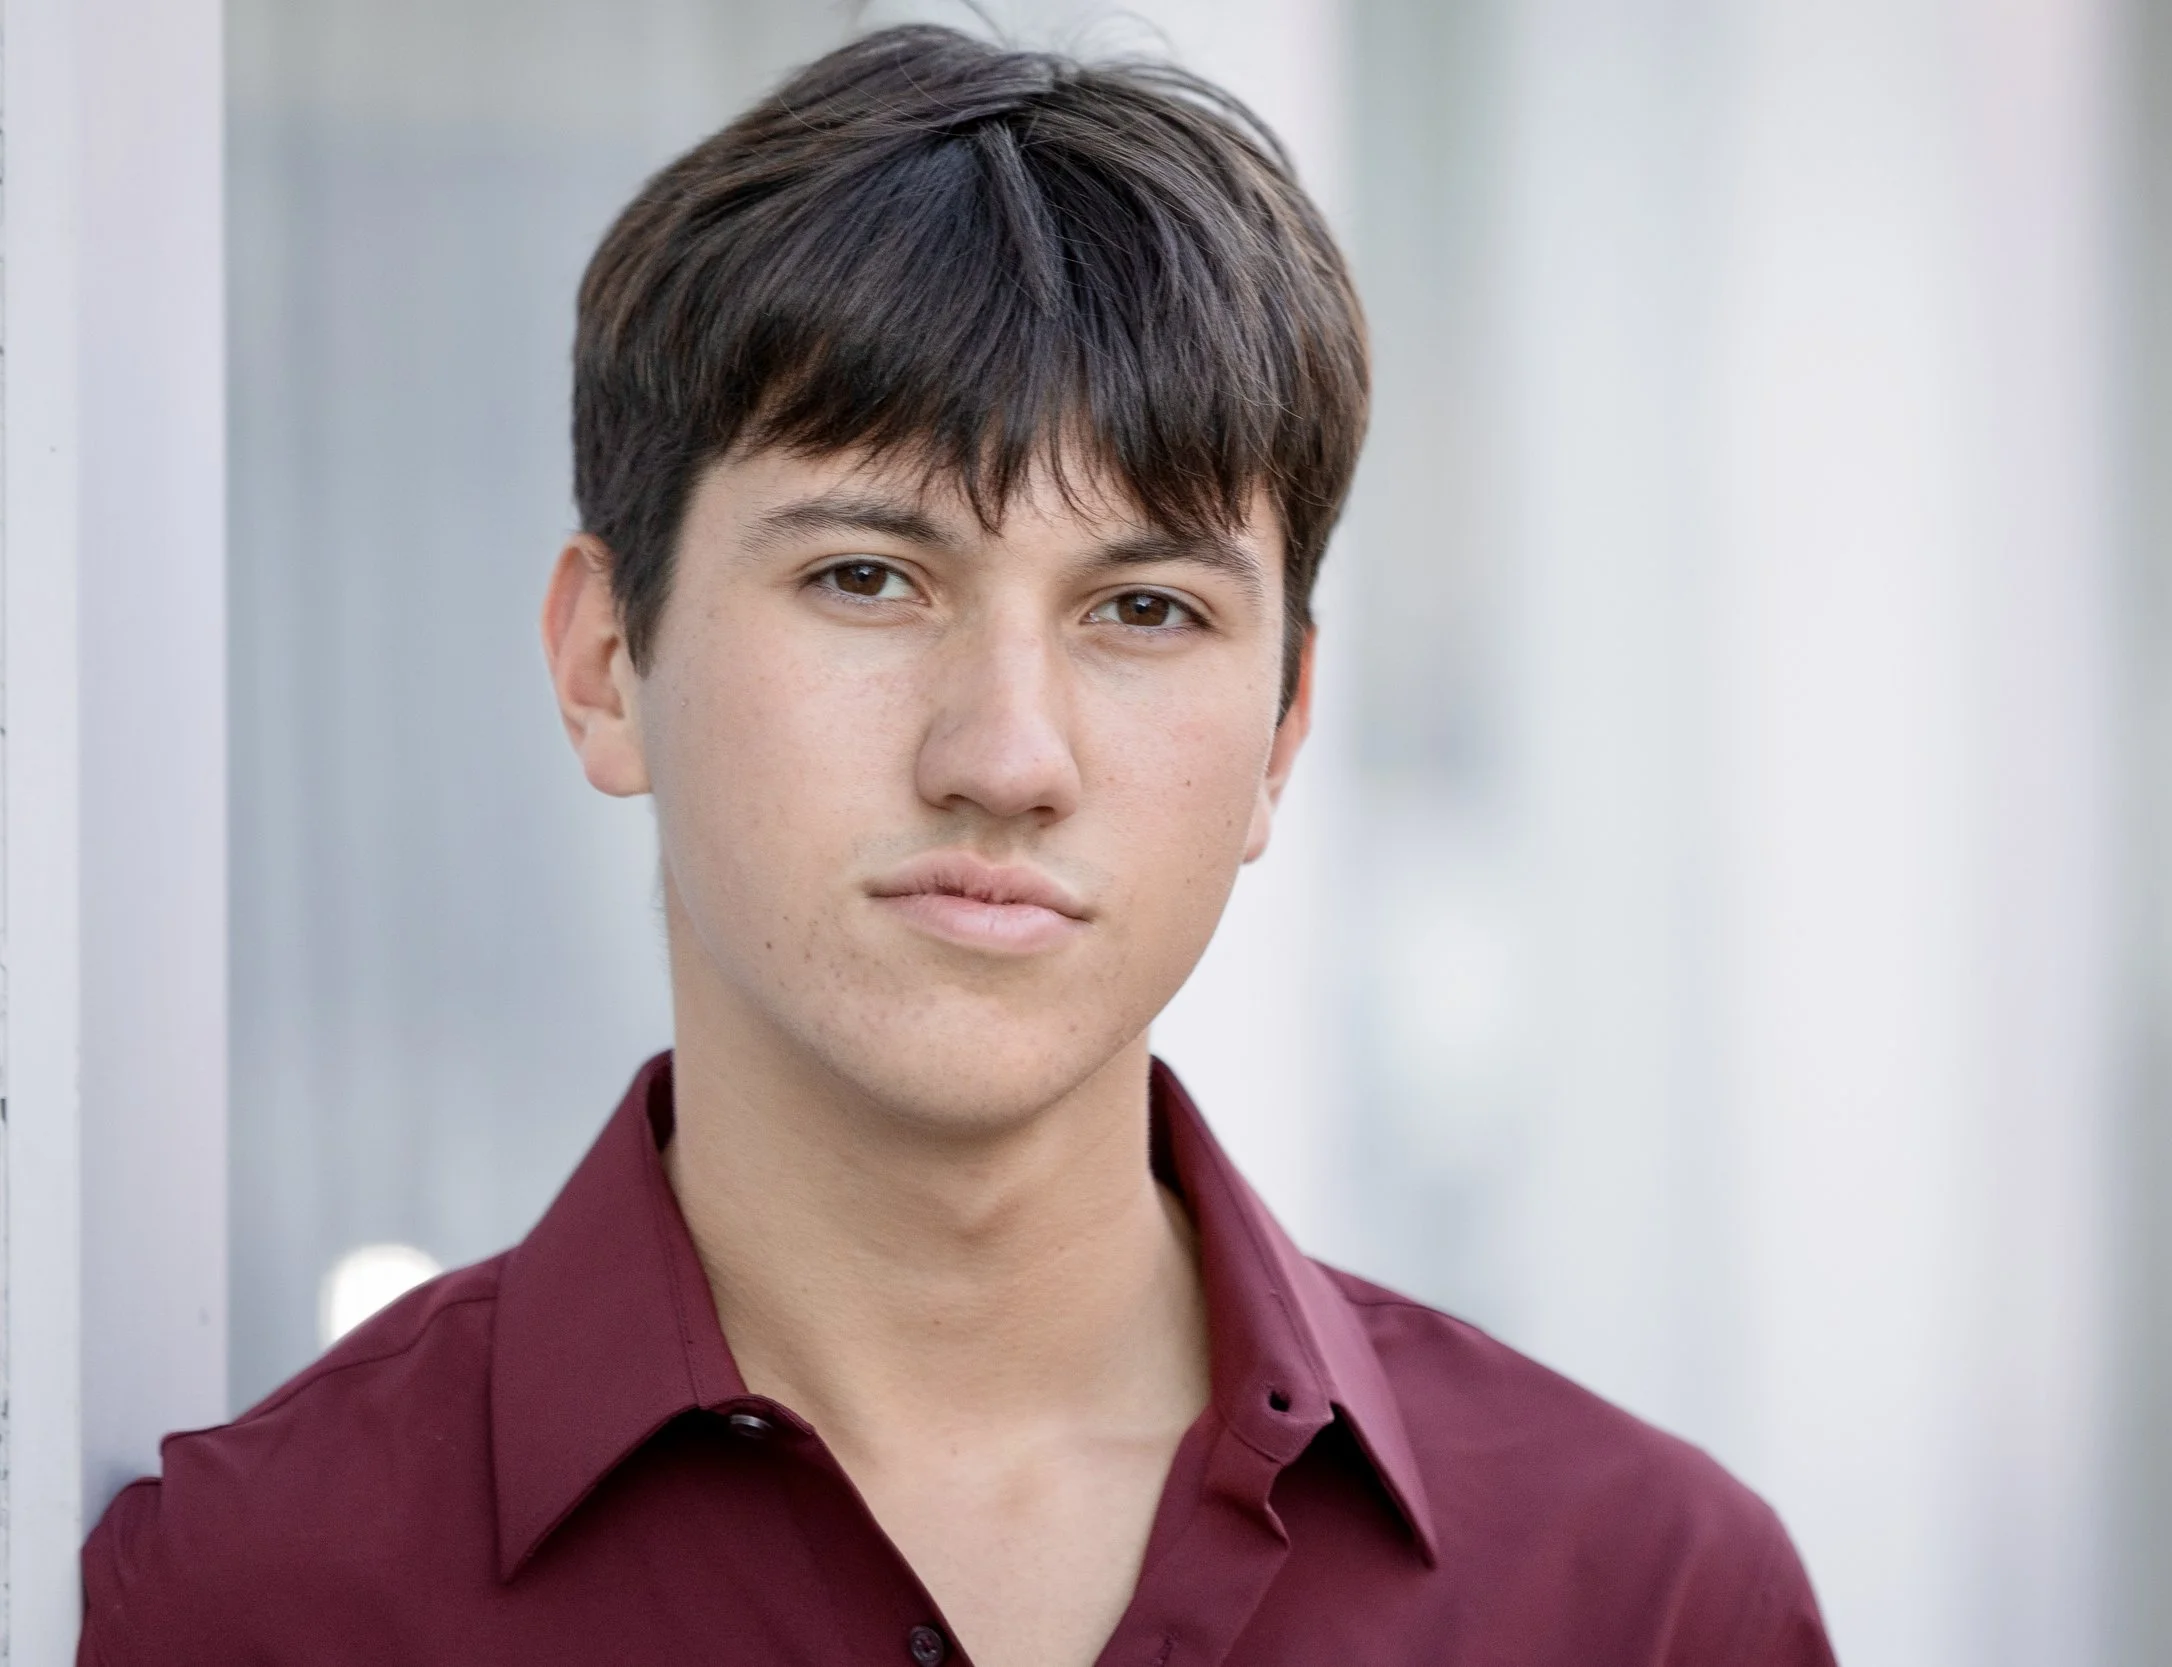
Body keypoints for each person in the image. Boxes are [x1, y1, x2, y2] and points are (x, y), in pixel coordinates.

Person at [80, 25, 1834, 1667]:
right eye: (866, 577)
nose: (1007, 754)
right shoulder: (258, 1595)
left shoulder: (1640, 1595)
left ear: (1284, 733)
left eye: (1142, 607)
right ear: (607, 662)